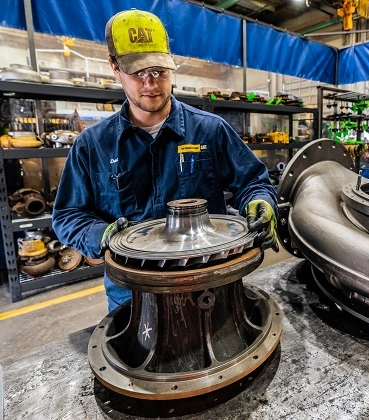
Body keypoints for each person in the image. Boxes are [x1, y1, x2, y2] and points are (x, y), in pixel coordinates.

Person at [52, 9, 279, 312]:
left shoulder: (210, 130)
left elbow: (252, 181)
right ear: (115, 68)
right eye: (138, 73)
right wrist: (102, 235)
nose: (151, 83)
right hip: (133, 296)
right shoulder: (92, 146)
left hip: (208, 286)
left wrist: (261, 201)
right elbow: (68, 215)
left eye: (159, 71)